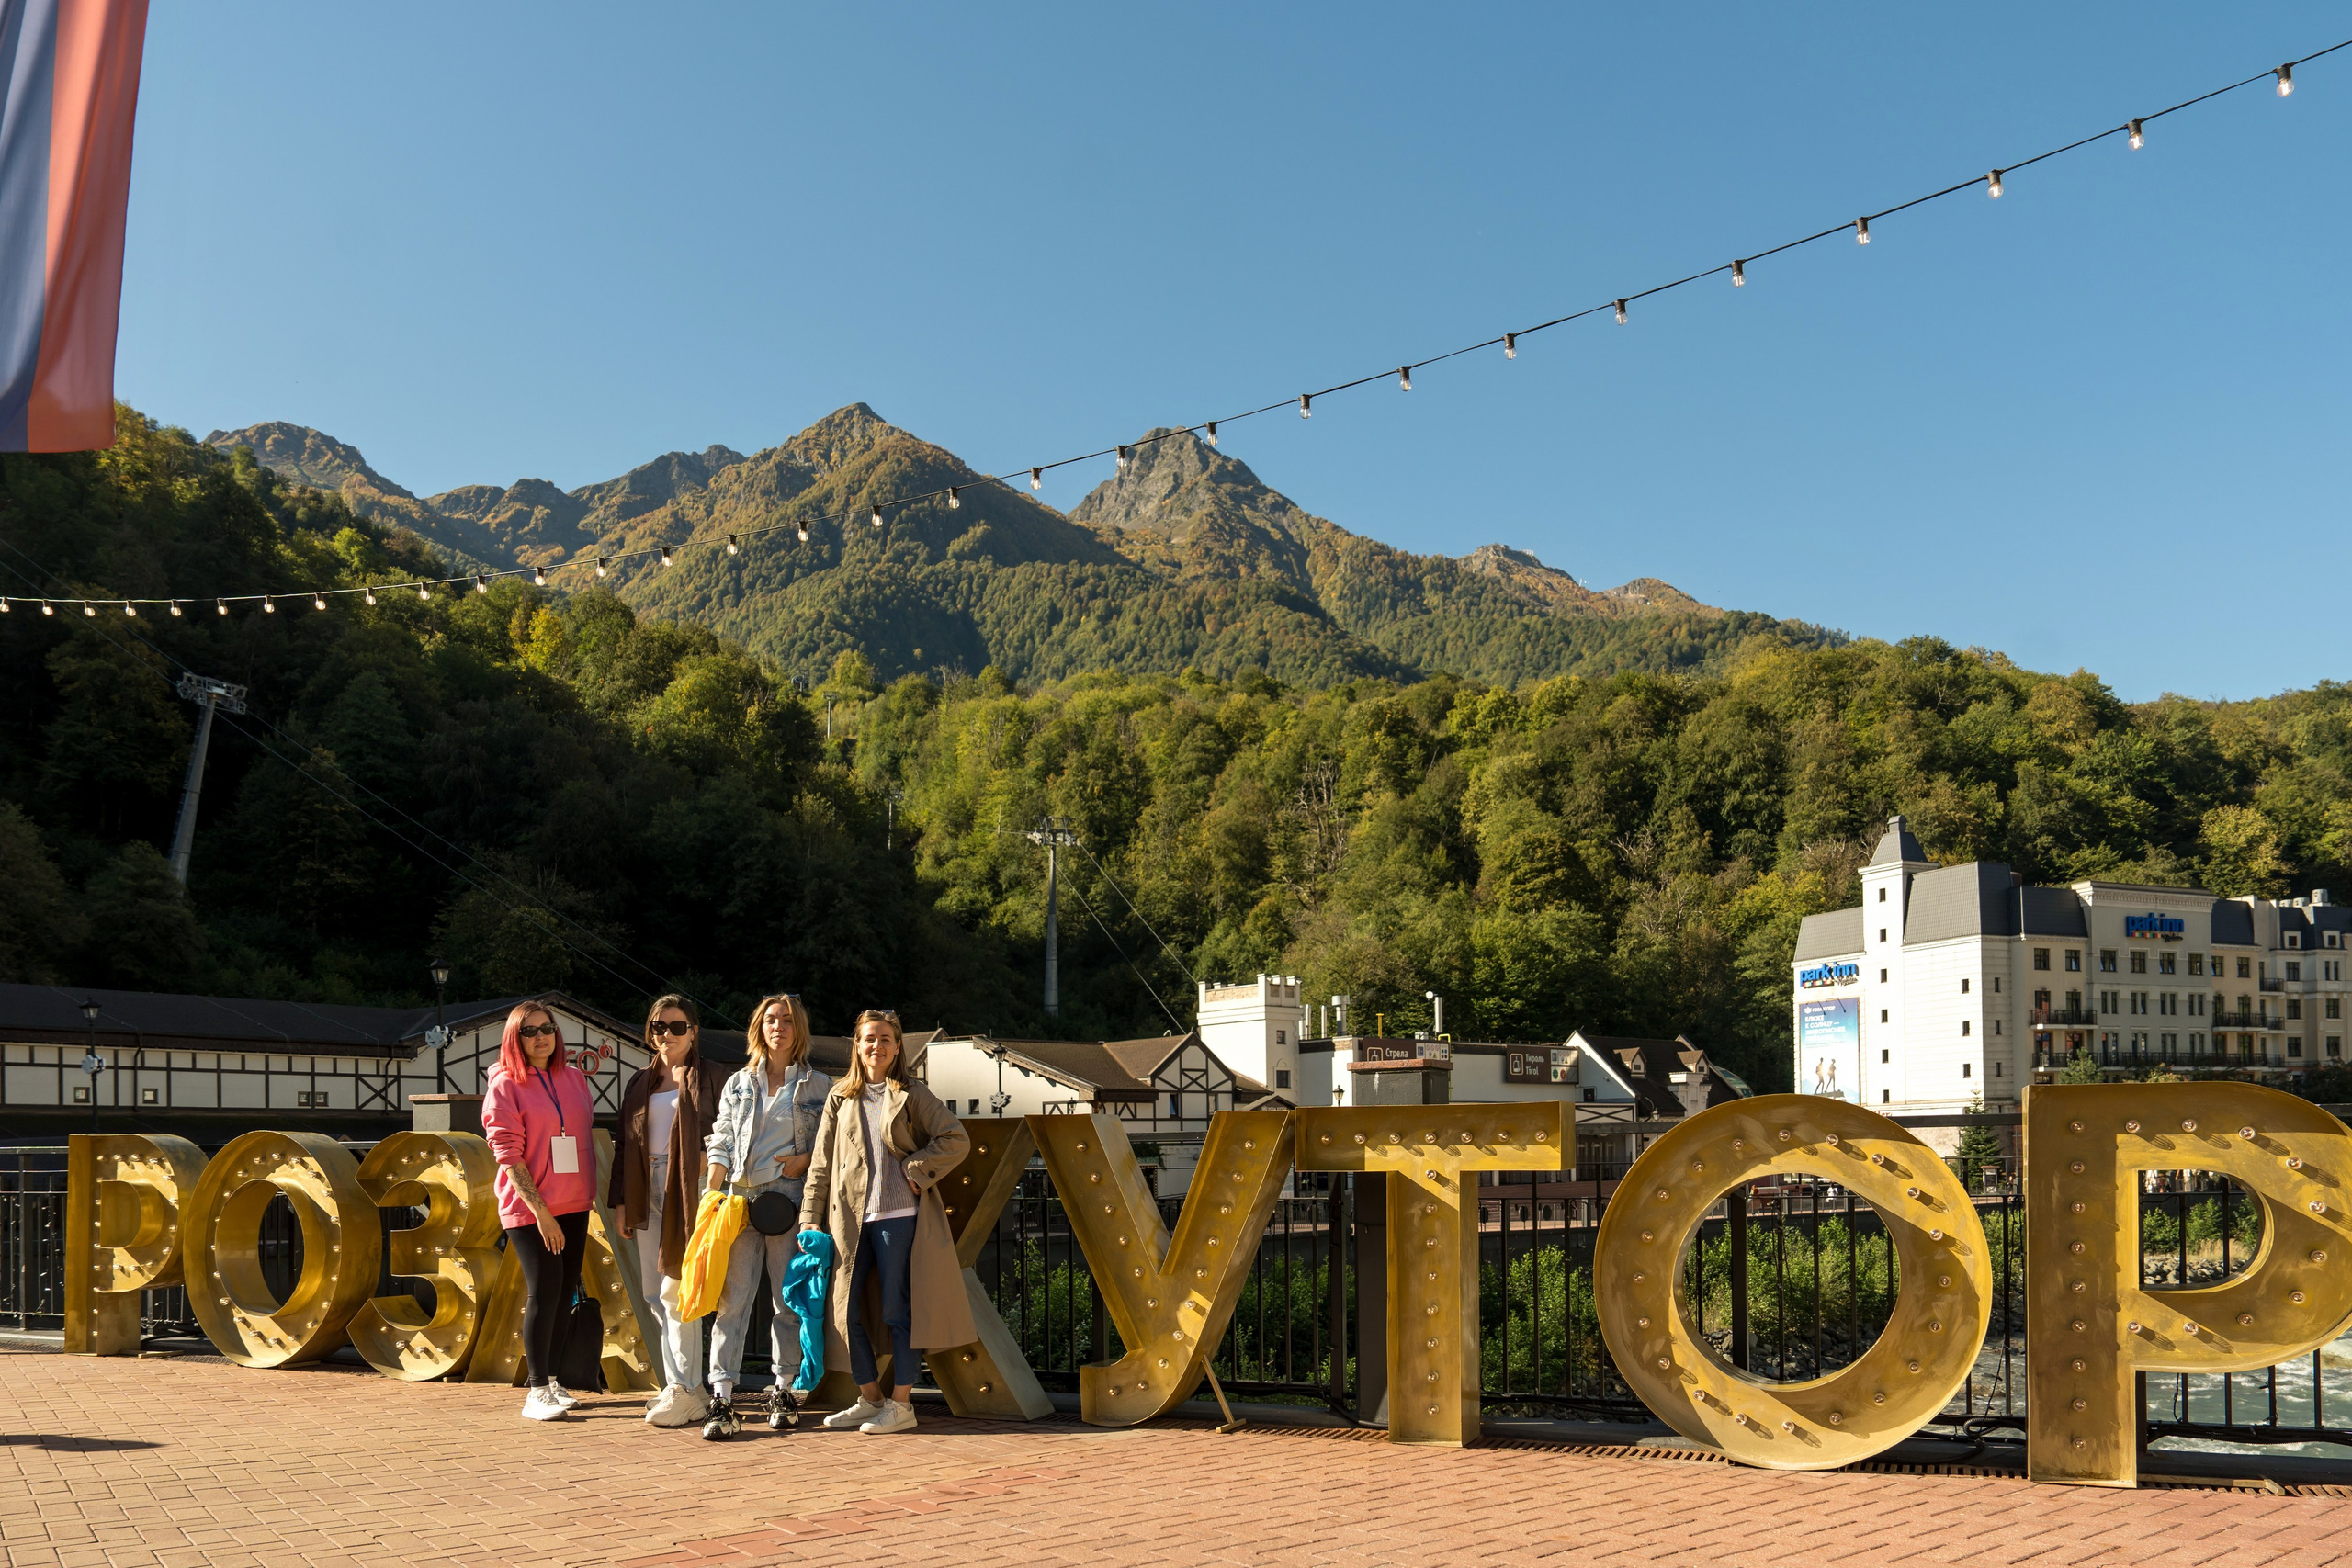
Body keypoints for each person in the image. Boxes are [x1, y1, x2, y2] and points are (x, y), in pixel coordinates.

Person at [799, 1008, 974, 1435]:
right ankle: (870, 1398)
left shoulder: (912, 1093)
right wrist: (809, 1217)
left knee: (898, 1310)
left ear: (897, 1048)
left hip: (899, 1219)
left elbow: (955, 1138)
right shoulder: (840, 1097)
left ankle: (901, 1405)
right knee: (844, 1313)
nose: (876, 1046)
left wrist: (916, 1169)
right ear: (856, 1045)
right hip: (848, 1220)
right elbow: (820, 1164)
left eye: (885, 1039)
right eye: (869, 1039)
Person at [696, 992, 831, 1439]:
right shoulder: (738, 1083)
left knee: (786, 1302)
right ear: (759, 1027)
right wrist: (711, 1194)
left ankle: (784, 1390)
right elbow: (720, 1139)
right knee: (731, 1302)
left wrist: (806, 1158)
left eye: (788, 1021)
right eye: (772, 1019)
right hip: (739, 1201)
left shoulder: (819, 1085)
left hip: (789, 1203)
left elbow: (833, 1148)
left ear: (800, 1030)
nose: (779, 1027)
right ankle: (722, 1396)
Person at [480, 998, 597, 1422]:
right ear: (515, 1037)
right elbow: (507, 1154)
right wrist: (541, 1213)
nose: (541, 1037)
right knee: (544, 1293)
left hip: (575, 1204)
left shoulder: (574, 1078)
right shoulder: (505, 1084)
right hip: (532, 1210)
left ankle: (554, 1382)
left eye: (547, 1028)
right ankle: (535, 1390)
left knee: (563, 1293)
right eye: (529, 1031)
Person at [612, 992, 724, 1428]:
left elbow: (725, 1133)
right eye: (659, 1026)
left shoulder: (711, 1075)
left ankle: (683, 1389)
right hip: (645, 1187)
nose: (667, 1034)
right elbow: (625, 1143)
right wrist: (621, 1201)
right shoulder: (639, 1081)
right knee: (652, 1293)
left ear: (694, 1032)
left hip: (689, 1187)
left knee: (676, 1292)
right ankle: (684, 1386)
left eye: (678, 1027)